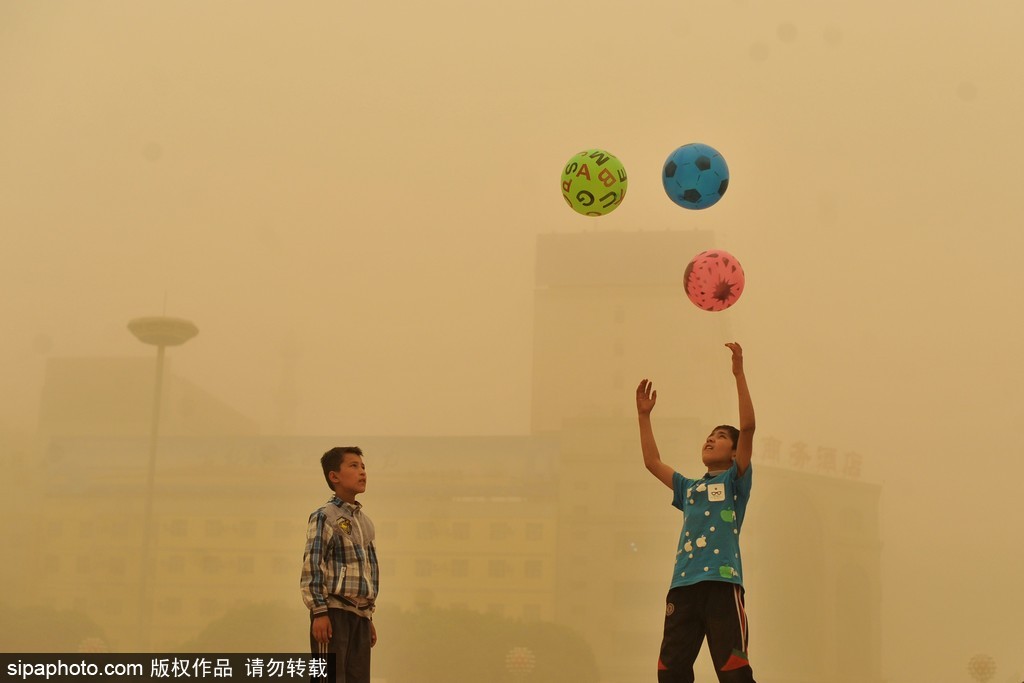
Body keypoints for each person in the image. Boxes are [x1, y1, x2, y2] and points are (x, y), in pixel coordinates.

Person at [636, 343, 757, 683]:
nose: (710, 439)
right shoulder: (689, 488)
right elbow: (652, 462)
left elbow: (747, 428)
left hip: (722, 584)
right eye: (709, 435)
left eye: (720, 437)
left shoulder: (736, 482)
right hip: (683, 587)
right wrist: (644, 417)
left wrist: (738, 373)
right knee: (670, 671)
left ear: (734, 454)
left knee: (733, 672)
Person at [300, 446, 379, 683]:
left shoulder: (365, 523)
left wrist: (368, 616)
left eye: (363, 467)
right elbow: (313, 564)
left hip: (360, 616)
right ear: (334, 476)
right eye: (353, 466)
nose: (362, 472)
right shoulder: (325, 516)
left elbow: (370, 571)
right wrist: (319, 611)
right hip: (333, 613)